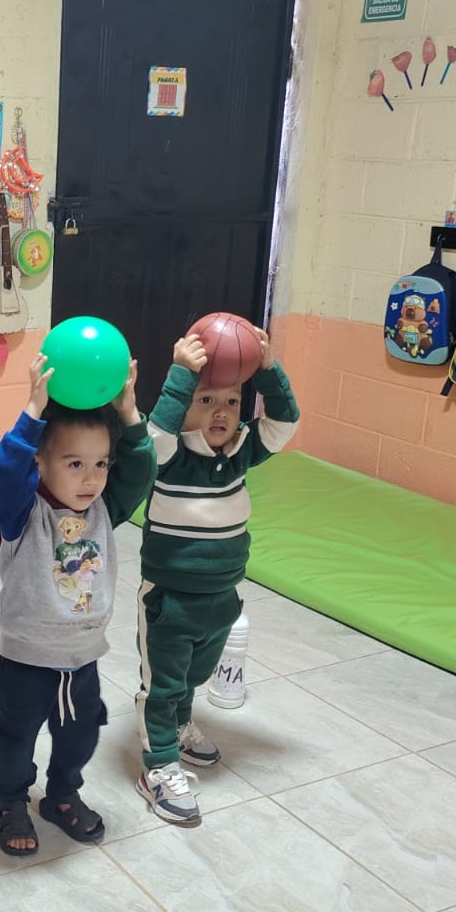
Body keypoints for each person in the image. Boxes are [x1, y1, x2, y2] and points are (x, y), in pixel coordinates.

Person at [0, 356, 154, 855]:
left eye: (100, 464)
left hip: (82, 659)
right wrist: (32, 412)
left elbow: (140, 472)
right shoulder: (22, 513)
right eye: (74, 463)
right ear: (40, 462)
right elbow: (7, 472)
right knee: (13, 740)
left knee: (80, 739)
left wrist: (129, 413)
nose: (90, 478)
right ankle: (11, 800)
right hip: (26, 660)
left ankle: (61, 795)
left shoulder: (104, 509)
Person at [135, 326, 299, 826]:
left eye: (231, 401)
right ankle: (158, 766)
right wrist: (181, 376)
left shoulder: (243, 449)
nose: (221, 412)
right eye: (206, 401)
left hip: (222, 596)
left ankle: (180, 726)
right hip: (170, 599)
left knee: (193, 676)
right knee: (163, 685)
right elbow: (154, 439)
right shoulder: (171, 456)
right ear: (185, 407)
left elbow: (284, 423)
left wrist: (268, 370)